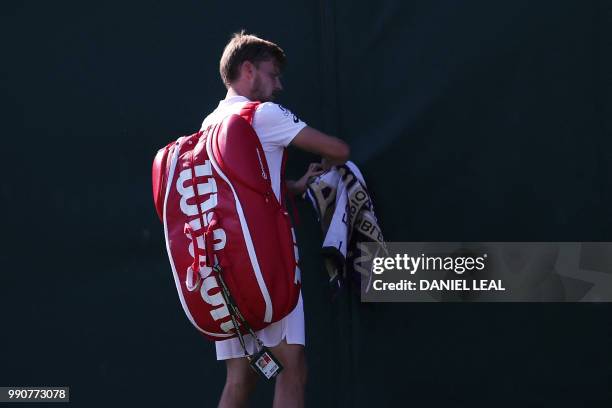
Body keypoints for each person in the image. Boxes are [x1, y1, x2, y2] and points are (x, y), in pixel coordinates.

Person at [200, 31, 349, 408]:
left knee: (241, 376)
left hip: (223, 270)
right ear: (248, 70)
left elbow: (238, 191)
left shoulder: (209, 123)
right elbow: (338, 149)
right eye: (273, 74)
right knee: (291, 368)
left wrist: (294, 187)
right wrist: (333, 164)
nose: (279, 85)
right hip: (269, 265)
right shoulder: (263, 113)